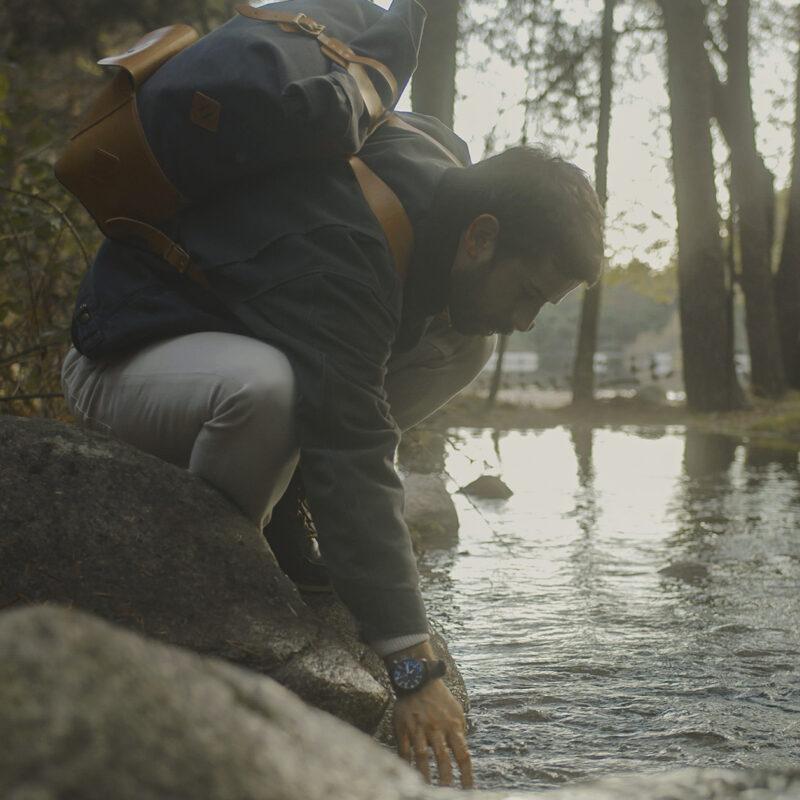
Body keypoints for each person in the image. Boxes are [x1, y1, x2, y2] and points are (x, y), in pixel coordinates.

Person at [61, 109, 603, 788]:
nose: (526, 319)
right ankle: (219, 582)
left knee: (469, 342)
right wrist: (412, 670)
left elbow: (355, 426)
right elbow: (353, 448)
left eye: (541, 307)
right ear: (482, 236)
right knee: (272, 394)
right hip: (126, 357)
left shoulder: (445, 194)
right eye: (527, 292)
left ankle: (284, 498)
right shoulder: (352, 244)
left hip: (232, 353)